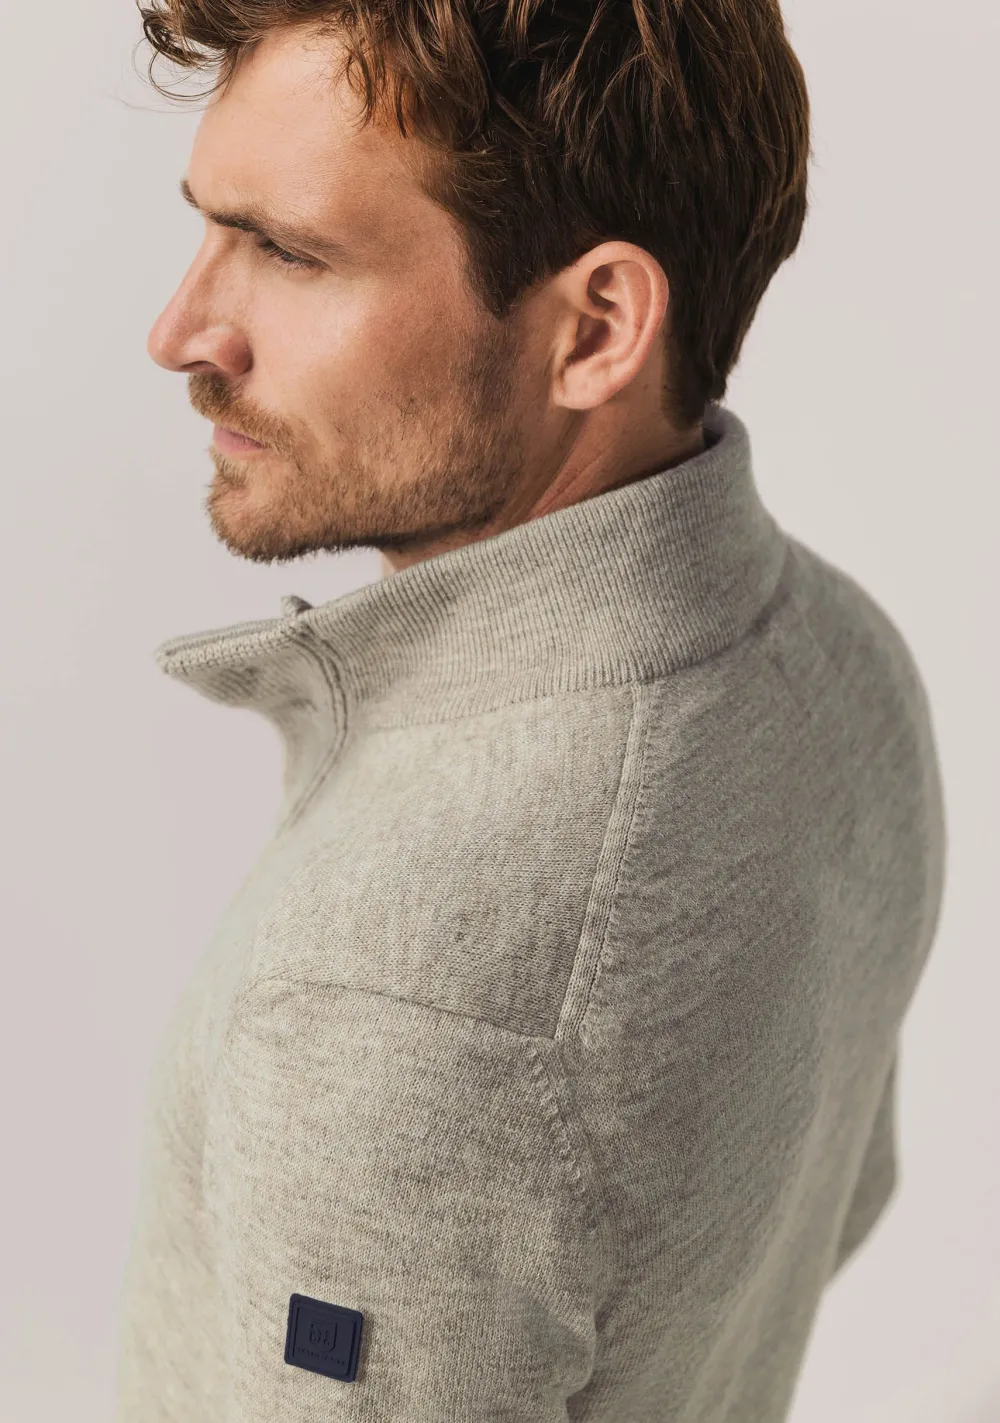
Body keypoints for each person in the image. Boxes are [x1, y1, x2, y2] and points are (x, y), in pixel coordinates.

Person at [117, 4, 947, 1420]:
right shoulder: (841, 661)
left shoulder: (392, 988)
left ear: (596, 328)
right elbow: (827, 1206)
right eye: (207, 226)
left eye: (289, 253)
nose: (181, 331)